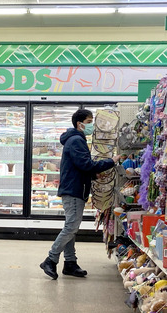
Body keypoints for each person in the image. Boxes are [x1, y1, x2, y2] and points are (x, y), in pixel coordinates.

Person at [40, 109, 115, 279]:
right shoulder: (76, 141)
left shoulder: (75, 139)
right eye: (89, 122)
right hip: (74, 189)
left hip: (75, 187)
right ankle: (50, 260)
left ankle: (70, 263)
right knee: (72, 226)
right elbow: (86, 164)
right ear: (79, 123)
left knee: (71, 227)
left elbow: (80, 166)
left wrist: (93, 175)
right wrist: (111, 161)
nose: (91, 125)